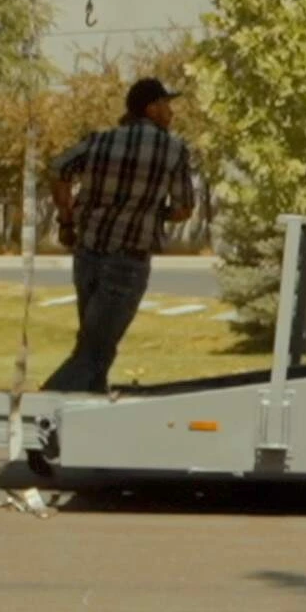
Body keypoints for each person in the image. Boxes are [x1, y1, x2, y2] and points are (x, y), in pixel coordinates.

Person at [39, 77, 201, 395]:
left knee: (94, 344)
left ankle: (90, 408)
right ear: (151, 108)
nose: (171, 112)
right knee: (94, 352)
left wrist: (66, 219)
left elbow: (58, 170)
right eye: (166, 105)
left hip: (87, 255)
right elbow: (184, 208)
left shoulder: (99, 140)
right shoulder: (172, 149)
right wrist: (155, 211)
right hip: (128, 261)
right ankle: (42, 408)